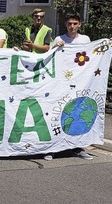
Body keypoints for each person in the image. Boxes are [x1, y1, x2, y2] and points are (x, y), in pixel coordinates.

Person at [44, 12, 94, 161]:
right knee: (57, 113)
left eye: (75, 24)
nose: (72, 26)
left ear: (79, 25)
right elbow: (49, 59)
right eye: (69, 24)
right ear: (65, 25)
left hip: (80, 83)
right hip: (62, 84)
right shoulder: (60, 39)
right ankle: (52, 148)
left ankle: (77, 148)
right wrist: (55, 47)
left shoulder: (85, 39)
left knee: (76, 114)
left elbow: (92, 56)